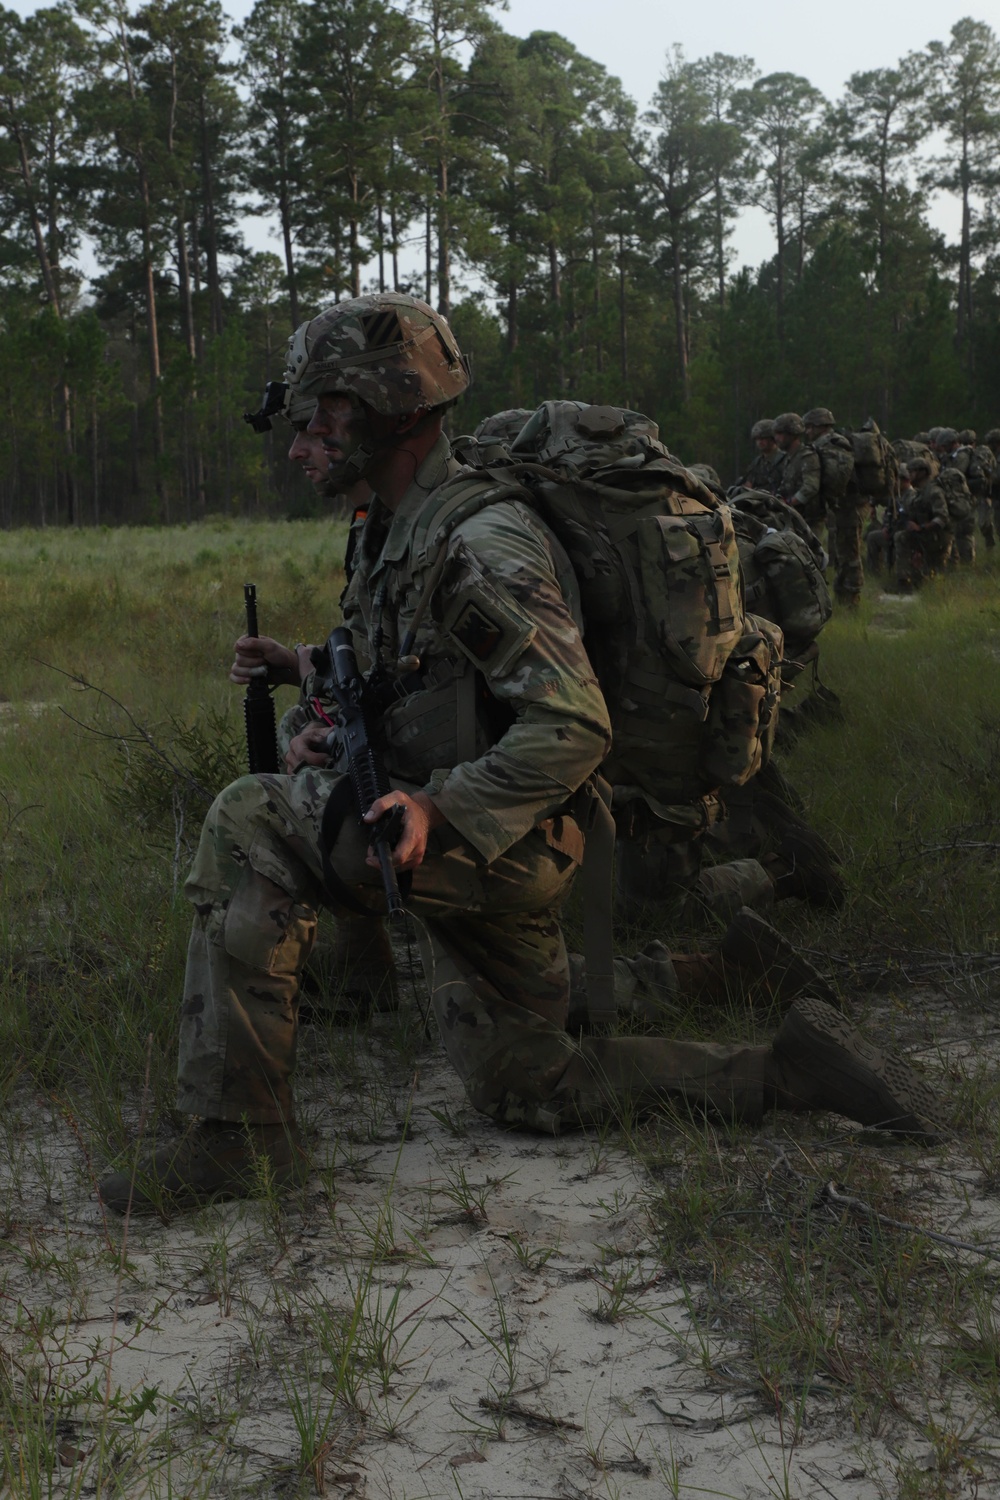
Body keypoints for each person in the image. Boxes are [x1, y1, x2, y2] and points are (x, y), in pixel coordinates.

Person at [98, 294, 945, 1214]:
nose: (301, 445)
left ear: (387, 406)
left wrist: (437, 810)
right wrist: (311, 676)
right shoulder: (396, 525)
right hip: (488, 832)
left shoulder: (479, 542)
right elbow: (421, 669)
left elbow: (573, 724)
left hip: (496, 840)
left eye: (318, 419)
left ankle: (236, 1138)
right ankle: (783, 1063)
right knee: (525, 1082)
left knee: (251, 817)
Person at [802, 407, 861, 606]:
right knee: (839, 552)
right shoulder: (824, 445)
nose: (807, 431)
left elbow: (837, 479)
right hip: (837, 507)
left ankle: (851, 598)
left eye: (810, 427)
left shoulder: (834, 444)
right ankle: (843, 595)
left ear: (821, 426)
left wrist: (828, 498)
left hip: (845, 507)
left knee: (849, 553)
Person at [893, 458, 950, 591]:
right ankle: (904, 582)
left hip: (937, 537)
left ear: (922, 472)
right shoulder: (921, 492)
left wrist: (921, 527)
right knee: (901, 535)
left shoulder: (934, 491)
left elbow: (942, 518)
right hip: (926, 536)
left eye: (912, 471)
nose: (909, 475)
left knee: (902, 537)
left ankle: (909, 582)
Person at [933, 428, 976, 564]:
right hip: (956, 499)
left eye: (945, 446)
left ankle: (968, 564)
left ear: (952, 443)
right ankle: (957, 562)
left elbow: (955, 474)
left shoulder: (962, 456)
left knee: (964, 533)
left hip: (964, 500)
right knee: (956, 532)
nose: (943, 449)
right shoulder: (952, 457)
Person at [775, 414, 823, 526]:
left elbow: (810, 487)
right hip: (794, 517)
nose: (776, 438)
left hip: (809, 520)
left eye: (780, 434)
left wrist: (790, 503)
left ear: (792, 434)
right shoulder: (789, 457)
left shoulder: (807, 456)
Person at [739, 419, 786, 495]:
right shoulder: (757, 463)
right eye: (757, 439)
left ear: (772, 439)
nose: (760, 442)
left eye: (763, 438)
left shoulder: (784, 460)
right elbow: (748, 485)